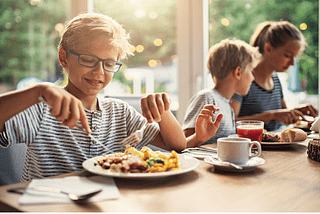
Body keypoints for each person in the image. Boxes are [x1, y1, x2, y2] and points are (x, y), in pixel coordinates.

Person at [0, 13, 217, 182]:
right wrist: (38, 91)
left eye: (109, 64)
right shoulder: (42, 109)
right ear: (63, 57)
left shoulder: (120, 112)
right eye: (88, 60)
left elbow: (177, 146)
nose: (99, 72)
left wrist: (163, 112)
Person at [231, 21, 318, 131]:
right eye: (287, 55)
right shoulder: (244, 78)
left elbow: (281, 116)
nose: (292, 63)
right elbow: (230, 122)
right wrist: (271, 115)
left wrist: (295, 112)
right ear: (268, 49)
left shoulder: (275, 80)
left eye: (294, 57)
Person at [183, 39, 262, 145]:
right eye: (251, 70)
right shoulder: (207, 98)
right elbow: (183, 143)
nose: (253, 77)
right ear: (238, 72)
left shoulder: (227, 105)